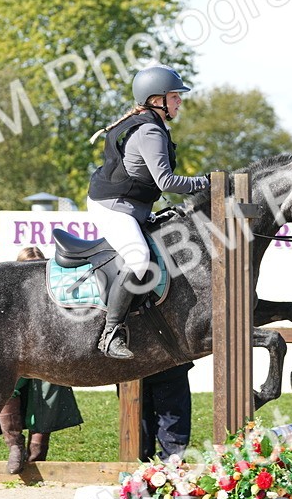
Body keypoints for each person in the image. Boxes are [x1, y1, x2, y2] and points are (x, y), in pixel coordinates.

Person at [86, 65, 209, 359]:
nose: (179, 101)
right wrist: (206, 182)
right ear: (156, 100)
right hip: (113, 206)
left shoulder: (152, 125)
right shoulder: (150, 130)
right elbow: (166, 182)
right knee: (139, 259)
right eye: (174, 96)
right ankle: (111, 333)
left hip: (132, 206)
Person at [0, 246, 84, 471]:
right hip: (17, 354)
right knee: (6, 388)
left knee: (49, 393)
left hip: (48, 353)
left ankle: (37, 454)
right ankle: (15, 446)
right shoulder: (9, 292)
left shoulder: (56, 291)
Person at [140, 362, 194, 461]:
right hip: (170, 365)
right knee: (138, 419)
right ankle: (171, 461)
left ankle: (171, 462)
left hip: (170, 365)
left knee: (139, 419)